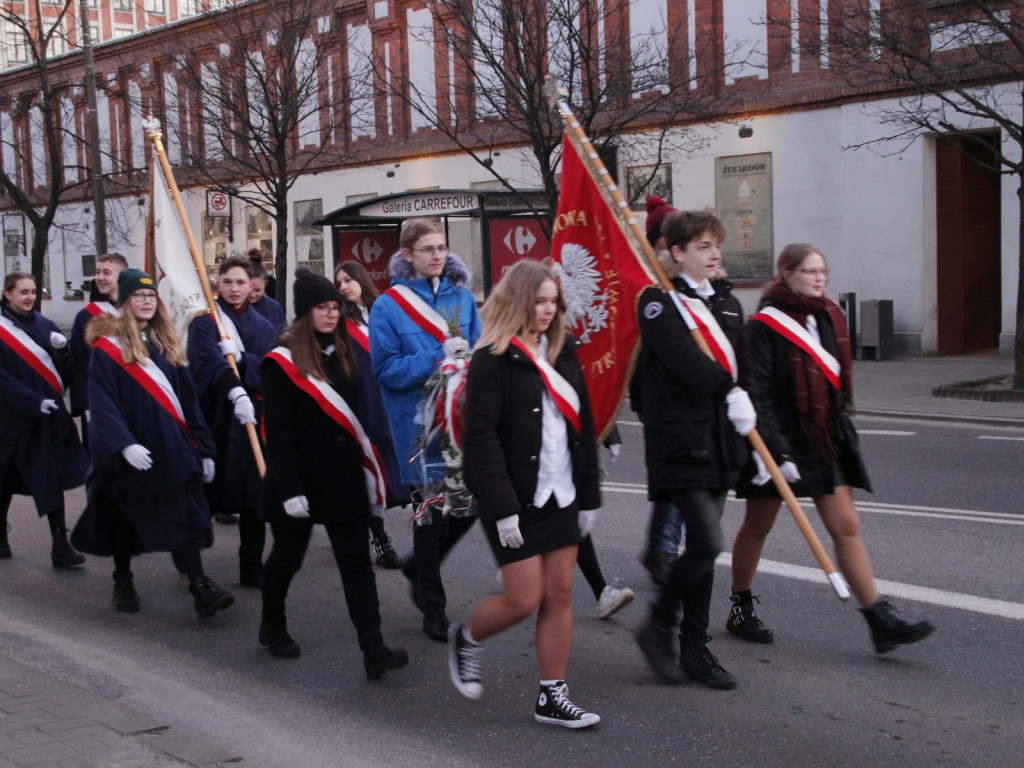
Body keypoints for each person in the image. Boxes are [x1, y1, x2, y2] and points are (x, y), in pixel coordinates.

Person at [727, 243, 935, 653]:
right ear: (785, 274)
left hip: (821, 435)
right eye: (808, 271)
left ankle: (878, 618)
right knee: (759, 525)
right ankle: (741, 607)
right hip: (778, 442)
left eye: (823, 271)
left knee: (847, 526)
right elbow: (759, 394)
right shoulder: (764, 327)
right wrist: (778, 453)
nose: (819, 278)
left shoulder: (827, 317)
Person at [450, 259, 601, 728]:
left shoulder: (565, 350)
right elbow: (481, 439)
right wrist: (503, 511)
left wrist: (589, 496)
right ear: (519, 301)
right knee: (523, 598)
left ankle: (551, 696)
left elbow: (584, 429)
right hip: (513, 499)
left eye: (553, 302)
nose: (547, 310)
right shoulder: (492, 358)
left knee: (560, 594)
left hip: (561, 492)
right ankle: (467, 640)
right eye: (539, 301)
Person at [259, 269, 408, 678]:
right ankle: (272, 625)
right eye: (323, 308)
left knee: (356, 563)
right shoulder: (282, 361)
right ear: (306, 312)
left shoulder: (345, 350)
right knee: (286, 559)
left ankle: (373, 649)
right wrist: (289, 488)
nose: (331, 314)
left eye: (335, 308)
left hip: (341, 476)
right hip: (299, 480)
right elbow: (280, 431)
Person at [633, 210, 753, 690]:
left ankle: (695, 649)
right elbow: (681, 359)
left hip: (720, 440)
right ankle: (657, 626)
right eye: (703, 245)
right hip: (680, 438)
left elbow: (744, 371)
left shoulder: (726, 305)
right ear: (678, 252)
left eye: (716, 244)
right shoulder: (659, 302)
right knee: (706, 541)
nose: (714, 253)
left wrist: (767, 437)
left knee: (702, 552)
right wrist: (727, 389)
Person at [69, 269, 233, 618]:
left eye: (151, 296)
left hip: (171, 448)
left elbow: (189, 404)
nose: (146, 301)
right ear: (125, 302)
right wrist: (123, 444)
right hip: (131, 455)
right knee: (125, 522)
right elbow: (103, 403)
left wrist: (204, 449)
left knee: (184, 513)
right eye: (138, 296)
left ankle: (199, 586)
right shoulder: (107, 350)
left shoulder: (166, 344)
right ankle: (123, 579)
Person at [369, 217, 481, 642]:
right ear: (408, 255)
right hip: (417, 425)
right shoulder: (388, 306)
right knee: (430, 515)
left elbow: (480, 349)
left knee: (472, 506)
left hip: (461, 420)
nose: (438, 255)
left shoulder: (462, 298)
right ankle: (433, 607)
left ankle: (420, 565)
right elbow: (386, 370)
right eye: (428, 249)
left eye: (441, 247)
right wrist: (438, 355)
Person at [188, 256, 276, 584]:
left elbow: (271, 367)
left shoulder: (265, 326)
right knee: (206, 492)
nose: (234, 288)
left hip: (252, 420)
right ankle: (192, 564)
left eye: (241, 282)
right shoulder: (204, 322)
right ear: (218, 285)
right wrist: (232, 385)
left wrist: (242, 359)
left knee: (254, 498)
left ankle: (251, 565)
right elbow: (206, 364)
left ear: (251, 285)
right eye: (228, 282)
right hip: (216, 418)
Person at [0, 272, 89, 567]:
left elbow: (63, 374)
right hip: (12, 422)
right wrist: (32, 402)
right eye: (23, 292)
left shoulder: (46, 326)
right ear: (7, 294)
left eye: (33, 292)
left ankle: (60, 547)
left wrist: (63, 353)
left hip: (45, 421)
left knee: (50, 479)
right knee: (4, 482)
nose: (29, 298)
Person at [335, 260, 406, 569]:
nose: (344, 286)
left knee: (395, 470)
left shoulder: (384, 312)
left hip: (390, 402)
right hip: (361, 403)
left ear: (362, 280)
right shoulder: (340, 323)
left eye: (349, 279)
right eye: (339, 283)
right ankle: (381, 540)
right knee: (369, 474)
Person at [635, 196, 684, 586]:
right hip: (659, 393)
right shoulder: (647, 283)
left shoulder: (684, 279)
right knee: (675, 474)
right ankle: (663, 549)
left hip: (688, 396)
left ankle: (664, 547)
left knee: (685, 476)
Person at [68, 252, 128, 447]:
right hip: (99, 401)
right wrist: (86, 405)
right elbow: (80, 364)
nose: (100, 277)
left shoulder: (137, 310)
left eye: (107, 272)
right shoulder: (86, 317)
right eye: (98, 272)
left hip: (133, 395)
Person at [248, 259, 286, 333]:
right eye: (249, 289)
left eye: (258, 290)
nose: (253, 294)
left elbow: (282, 334)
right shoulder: (236, 307)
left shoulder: (274, 307)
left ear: (265, 285)